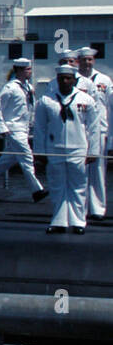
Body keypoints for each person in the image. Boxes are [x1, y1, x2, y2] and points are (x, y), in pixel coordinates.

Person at [33, 64, 100, 234]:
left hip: (78, 149)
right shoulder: (47, 100)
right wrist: (40, 151)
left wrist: (93, 151)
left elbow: (94, 128)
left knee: (78, 187)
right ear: (57, 79)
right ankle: (59, 221)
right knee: (57, 186)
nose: (64, 81)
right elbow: (39, 127)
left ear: (74, 80)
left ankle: (78, 222)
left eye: (68, 78)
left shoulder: (85, 100)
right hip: (55, 149)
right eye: (61, 78)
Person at [0, 57, 48, 203]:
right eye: (27, 69)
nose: (30, 72)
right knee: (27, 158)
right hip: (13, 129)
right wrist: (1, 127)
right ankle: (37, 190)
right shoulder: (10, 88)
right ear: (19, 70)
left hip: (24, 129)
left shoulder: (28, 88)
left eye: (30, 69)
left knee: (8, 160)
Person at [76, 47, 111, 221]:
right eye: (84, 60)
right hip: (79, 131)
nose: (87, 63)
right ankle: (80, 208)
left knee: (98, 170)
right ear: (78, 61)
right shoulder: (73, 80)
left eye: (90, 59)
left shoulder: (105, 80)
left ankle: (97, 209)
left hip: (100, 131)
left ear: (94, 61)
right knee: (79, 171)